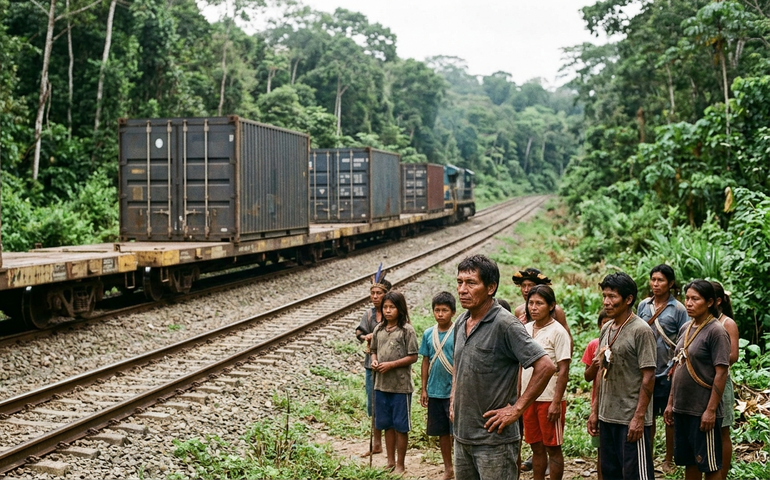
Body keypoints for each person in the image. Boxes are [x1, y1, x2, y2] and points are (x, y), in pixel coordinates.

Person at [451, 254, 555, 480]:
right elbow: (459, 365)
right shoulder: (461, 321)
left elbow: (545, 366)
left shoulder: (505, 324)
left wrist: (516, 409)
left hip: (494, 442)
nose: (462, 289)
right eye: (460, 282)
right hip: (462, 437)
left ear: (490, 287)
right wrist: (453, 399)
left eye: (471, 283)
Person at [587, 272, 656, 480]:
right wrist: (595, 411)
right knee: (611, 473)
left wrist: (639, 417)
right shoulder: (607, 328)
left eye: (612, 297)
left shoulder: (641, 331)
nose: (607, 302)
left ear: (628, 299)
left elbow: (649, 376)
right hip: (608, 416)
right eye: (605, 296)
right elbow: (601, 371)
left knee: (637, 475)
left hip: (630, 418)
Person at [664, 280, 731, 480]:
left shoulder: (716, 331)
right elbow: (678, 366)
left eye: (696, 299)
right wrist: (670, 403)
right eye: (687, 299)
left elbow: (721, 372)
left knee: (709, 465)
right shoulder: (686, 327)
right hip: (682, 408)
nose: (689, 303)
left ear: (710, 302)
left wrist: (710, 411)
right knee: (690, 463)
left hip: (702, 410)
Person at [636, 264, 688, 472]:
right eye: (653, 280)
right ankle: (647, 457)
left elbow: (684, 338)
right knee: (646, 416)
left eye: (661, 280)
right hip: (646, 369)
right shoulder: (643, 306)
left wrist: (676, 367)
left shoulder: (678, 309)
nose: (656, 284)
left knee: (669, 418)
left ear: (671, 283)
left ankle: (669, 459)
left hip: (668, 370)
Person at [521, 285, 571, 480]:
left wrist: (556, 402)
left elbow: (564, 369)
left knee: (553, 447)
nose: (534, 307)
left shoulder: (558, 332)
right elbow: (520, 367)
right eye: (531, 303)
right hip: (528, 399)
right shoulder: (525, 329)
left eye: (539, 303)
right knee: (536, 447)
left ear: (551, 306)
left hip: (549, 398)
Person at [370, 290, 419, 475]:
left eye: (392, 307)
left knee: (400, 426)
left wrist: (391, 365)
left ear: (400, 309)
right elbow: (373, 349)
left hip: (400, 387)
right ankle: (390, 461)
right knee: (386, 425)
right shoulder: (379, 329)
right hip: (381, 385)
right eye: (385, 307)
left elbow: (413, 356)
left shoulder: (407, 330)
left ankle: (401, 463)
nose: (388, 311)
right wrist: (375, 360)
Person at [419, 291, 457, 480]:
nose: (440, 314)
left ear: (453, 312)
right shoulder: (428, 334)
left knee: (457, 431)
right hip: (435, 390)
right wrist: (424, 388)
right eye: (437, 310)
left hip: (454, 392)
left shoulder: (458, 332)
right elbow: (425, 362)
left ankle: (461, 465)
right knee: (442, 432)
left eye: (444, 310)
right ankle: (448, 467)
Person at [355, 273, 392, 456]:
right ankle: (376, 444)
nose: (375, 297)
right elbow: (358, 332)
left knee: (387, 403)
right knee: (373, 404)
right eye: (373, 293)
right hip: (372, 365)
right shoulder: (369, 315)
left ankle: (390, 445)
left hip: (389, 366)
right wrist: (365, 337)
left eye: (379, 293)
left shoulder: (391, 313)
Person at [711, 282, 739, 480]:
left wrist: (710, 360)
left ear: (717, 301)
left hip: (721, 381)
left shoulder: (726, 323)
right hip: (701, 385)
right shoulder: (698, 322)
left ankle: (722, 474)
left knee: (722, 430)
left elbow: (733, 355)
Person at [512, 268, 572, 348]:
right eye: (523, 286)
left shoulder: (556, 311)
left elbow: (567, 338)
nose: (526, 290)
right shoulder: (519, 311)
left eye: (530, 285)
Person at [582, 309, 610, 480]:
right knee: (602, 451)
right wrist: (596, 363)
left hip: (617, 405)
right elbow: (587, 377)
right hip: (598, 405)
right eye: (603, 324)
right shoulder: (594, 345)